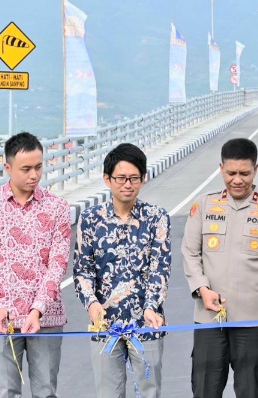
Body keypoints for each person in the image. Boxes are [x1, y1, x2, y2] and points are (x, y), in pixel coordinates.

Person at [182, 138, 258, 398]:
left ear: (256, 169)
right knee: (205, 390)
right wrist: (201, 288)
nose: (237, 180)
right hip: (209, 318)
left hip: (253, 320)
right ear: (221, 169)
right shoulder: (204, 206)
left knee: (250, 391)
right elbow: (190, 252)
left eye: (245, 173)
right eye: (231, 173)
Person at [74, 143, 171, 398]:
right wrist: (92, 305)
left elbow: (160, 268)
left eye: (134, 178)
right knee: (108, 393)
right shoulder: (90, 219)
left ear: (143, 178)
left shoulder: (156, 217)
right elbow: (82, 270)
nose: (127, 184)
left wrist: (152, 306)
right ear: (107, 179)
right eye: (121, 178)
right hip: (105, 325)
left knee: (149, 392)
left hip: (146, 323)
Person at [0, 132, 71, 398]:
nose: (34, 175)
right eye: (26, 169)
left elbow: (58, 263)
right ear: (7, 167)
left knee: (45, 392)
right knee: (6, 392)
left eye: (39, 167)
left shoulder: (58, 208)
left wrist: (37, 310)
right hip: (2, 319)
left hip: (46, 318)